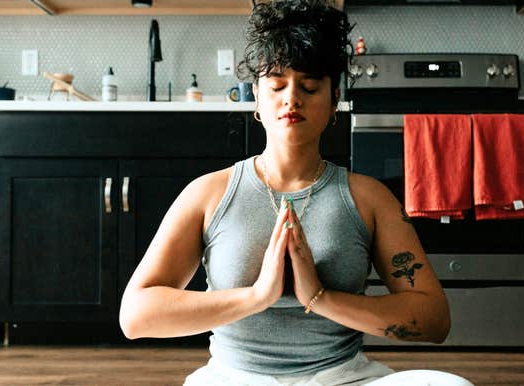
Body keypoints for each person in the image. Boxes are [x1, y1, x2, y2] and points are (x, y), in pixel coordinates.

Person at [119, 1, 471, 385]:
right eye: (276, 84)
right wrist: (256, 296)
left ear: (334, 99)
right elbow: (136, 316)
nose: (292, 98)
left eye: (309, 86)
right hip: (236, 378)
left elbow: (435, 320)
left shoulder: (369, 199)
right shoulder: (208, 193)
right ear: (256, 96)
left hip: (343, 377)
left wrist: (319, 296)